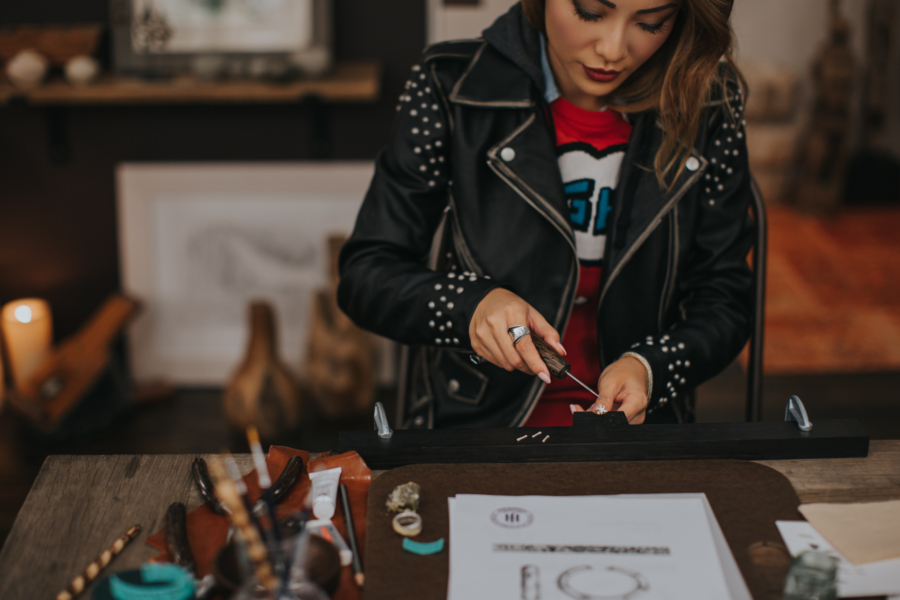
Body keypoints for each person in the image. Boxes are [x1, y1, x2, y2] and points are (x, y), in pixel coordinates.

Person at [338, 0, 756, 429]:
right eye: (591, 12)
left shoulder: (710, 101)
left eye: (651, 23)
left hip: (642, 435)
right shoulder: (451, 84)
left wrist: (652, 368)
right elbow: (366, 277)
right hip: (478, 430)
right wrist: (471, 306)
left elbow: (724, 300)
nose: (612, 49)